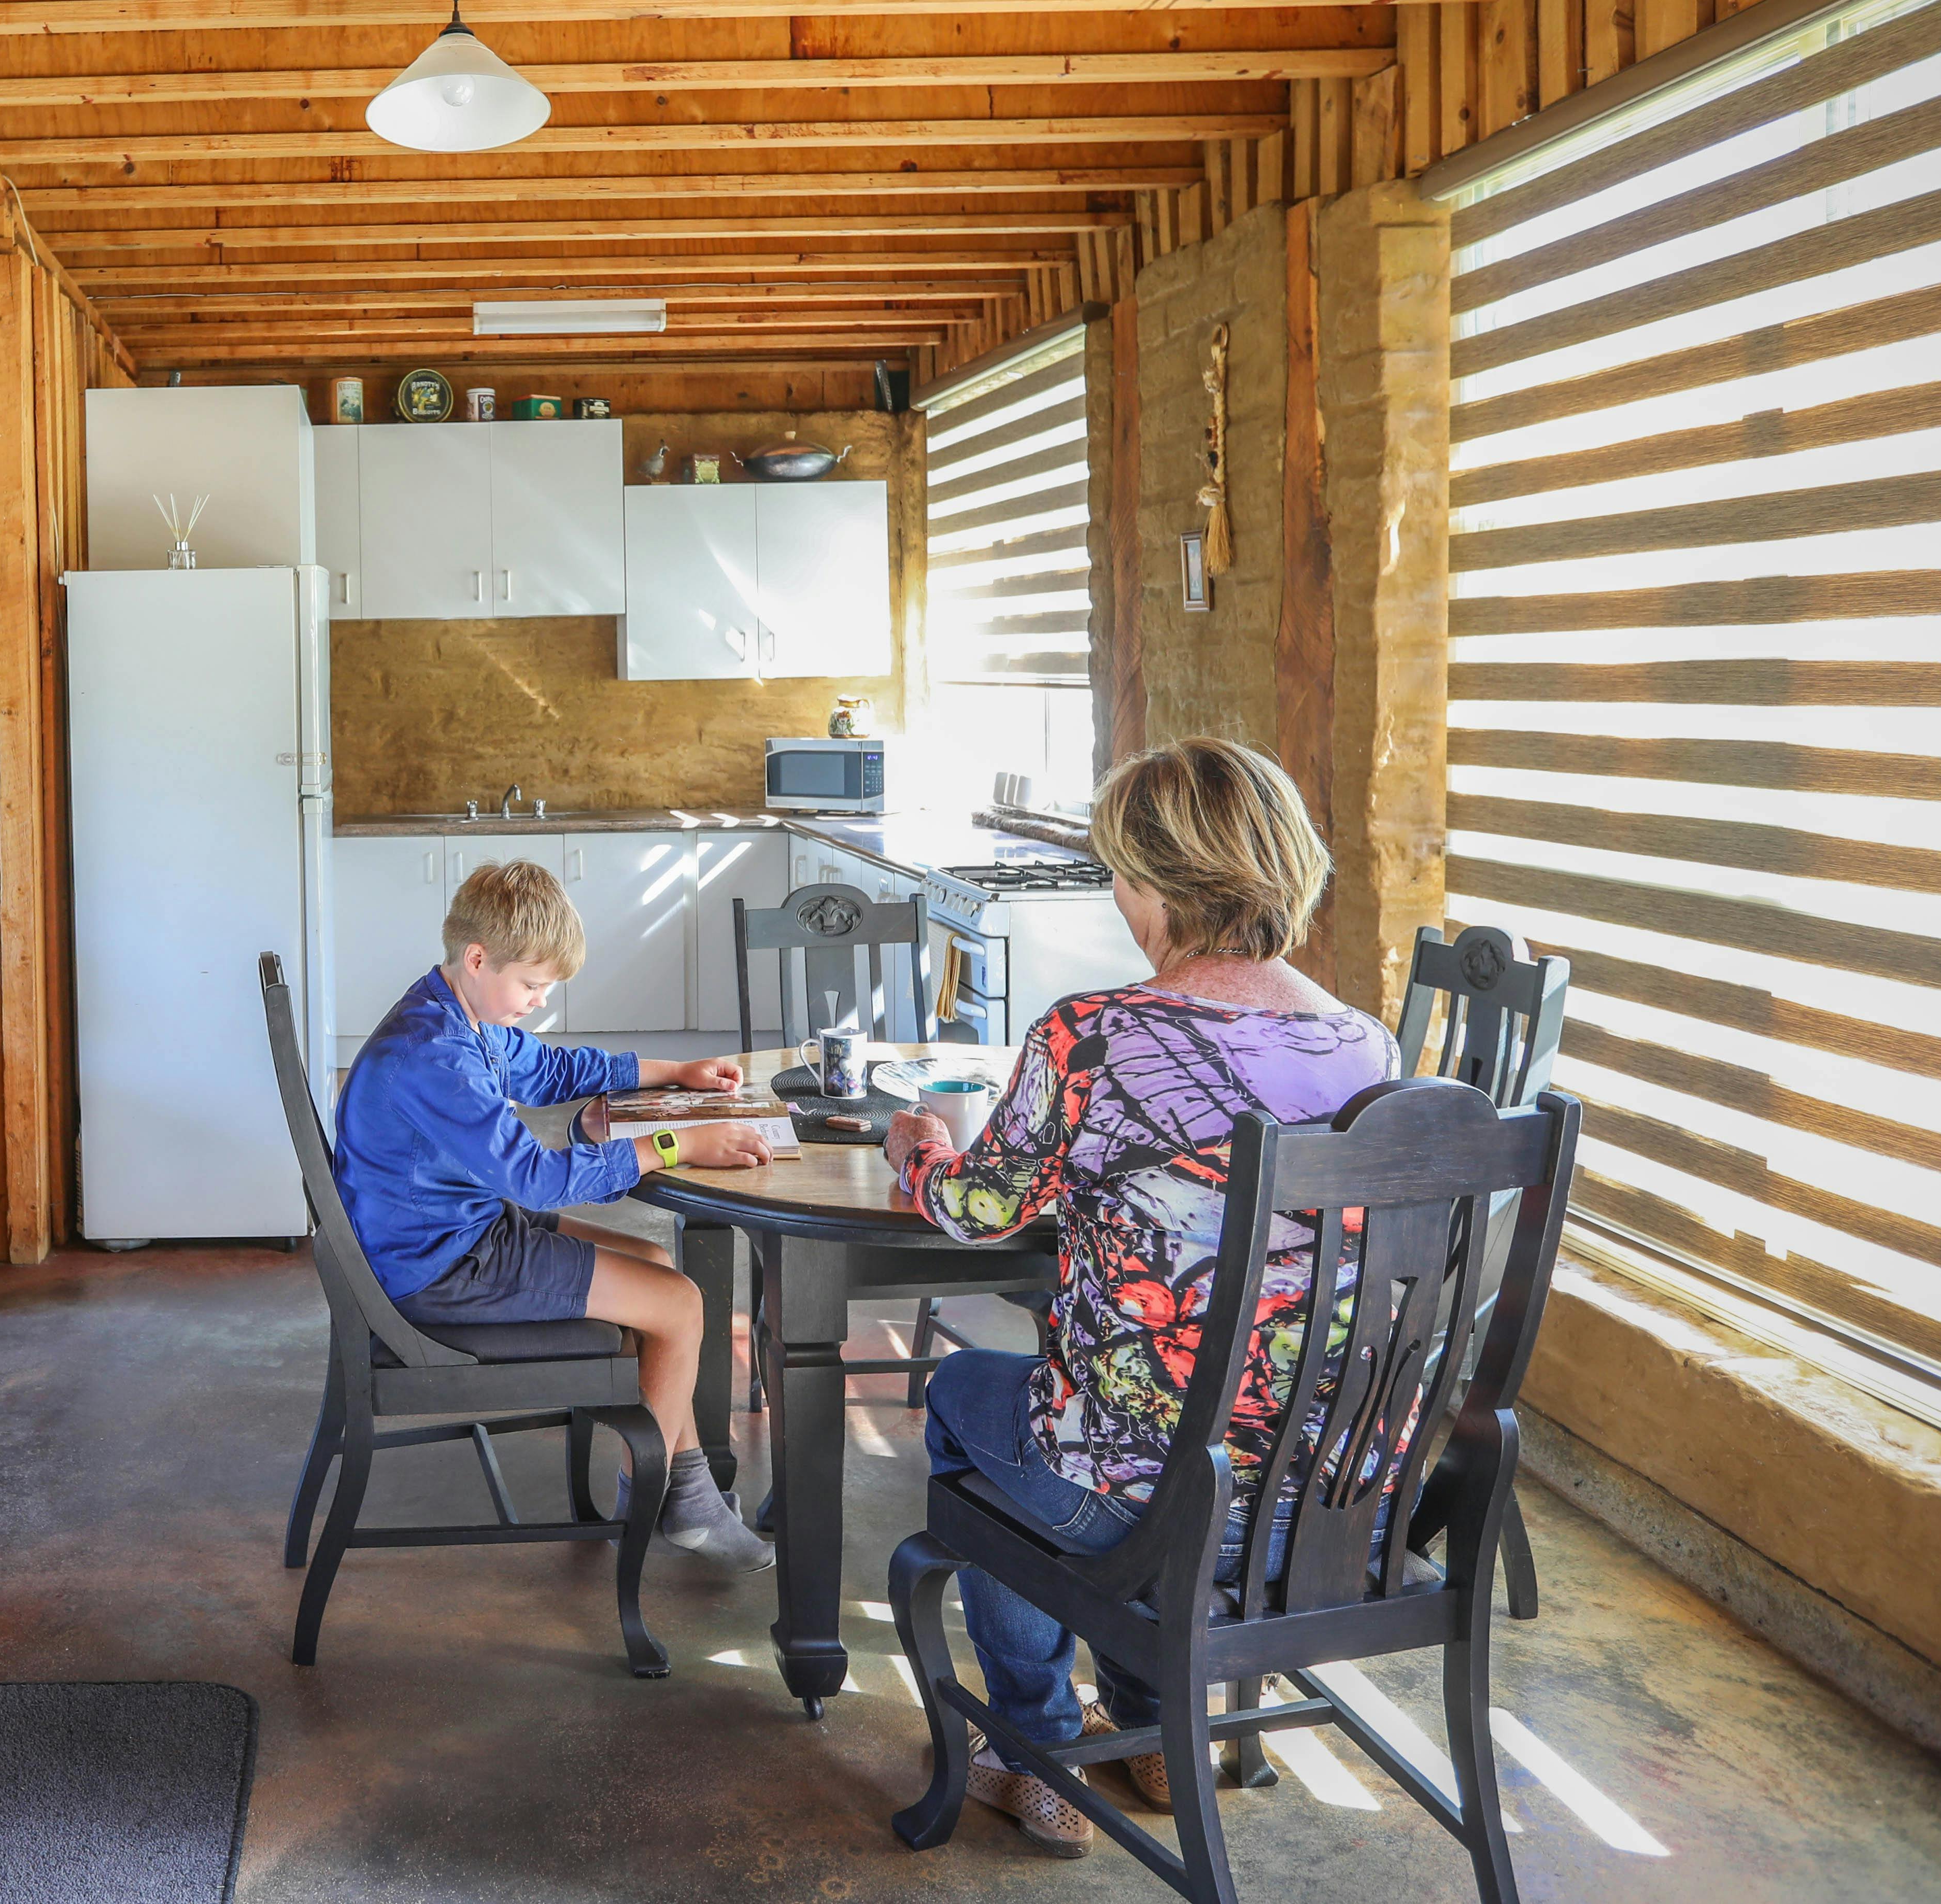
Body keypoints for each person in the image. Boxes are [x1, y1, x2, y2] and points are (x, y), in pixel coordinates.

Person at [883, 738, 1396, 1855]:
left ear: (1155, 883)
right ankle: (1160, 1728)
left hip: (1149, 1498)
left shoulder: (1094, 1035)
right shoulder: (1368, 1044)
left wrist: (917, 1154)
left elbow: (983, 1210)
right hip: (1324, 1498)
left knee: (969, 1399)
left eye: (1118, 871)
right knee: (1147, 1423)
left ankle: (1037, 1752)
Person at [335, 858, 780, 1573]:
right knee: (679, 1302)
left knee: (660, 1273)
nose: (539, 1002)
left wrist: (673, 1072)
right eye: (533, 985)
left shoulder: (452, 1009)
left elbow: (550, 1072)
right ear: (478, 958)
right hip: (444, 1269)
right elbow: (537, 1181)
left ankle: (685, 1493)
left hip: (457, 1232)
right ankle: (663, 1501)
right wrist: (675, 1142)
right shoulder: (435, 1058)